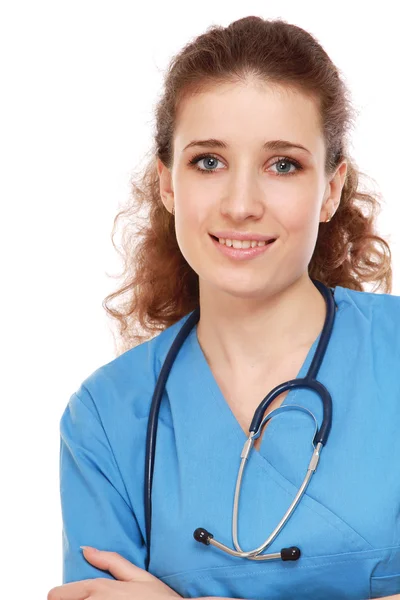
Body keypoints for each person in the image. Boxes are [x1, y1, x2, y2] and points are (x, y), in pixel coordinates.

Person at [48, 15, 400, 600]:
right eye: (208, 161)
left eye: (282, 164)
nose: (240, 205)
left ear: (331, 190)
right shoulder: (106, 420)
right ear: (167, 184)